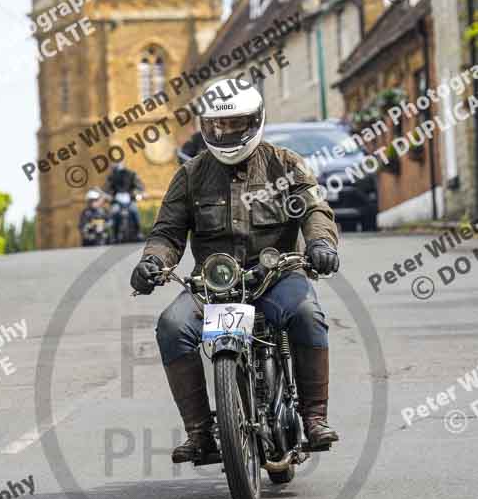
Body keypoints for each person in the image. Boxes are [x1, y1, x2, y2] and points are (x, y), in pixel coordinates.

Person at [131, 79, 340, 464]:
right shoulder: (190, 175)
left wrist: (321, 245)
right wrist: (152, 262)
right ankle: (200, 433)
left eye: (235, 124)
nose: (225, 132)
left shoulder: (286, 164)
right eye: (216, 125)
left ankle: (314, 417)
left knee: (309, 315)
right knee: (172, 326)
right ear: (204, 126)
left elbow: (314, 211)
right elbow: (168, 232)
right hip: (215, 286)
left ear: (256, 121)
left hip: (278, 278)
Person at [104, 164, 144, 242]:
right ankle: (113, 234)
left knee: (134, 210)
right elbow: (106, 188)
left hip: (130, 199)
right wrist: (108, 195)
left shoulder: (131, 175)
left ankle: (139, 231)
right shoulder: (111, 177)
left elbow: (139, 186)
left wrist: (138, 192)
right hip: (116, 200)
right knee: (113, 212)